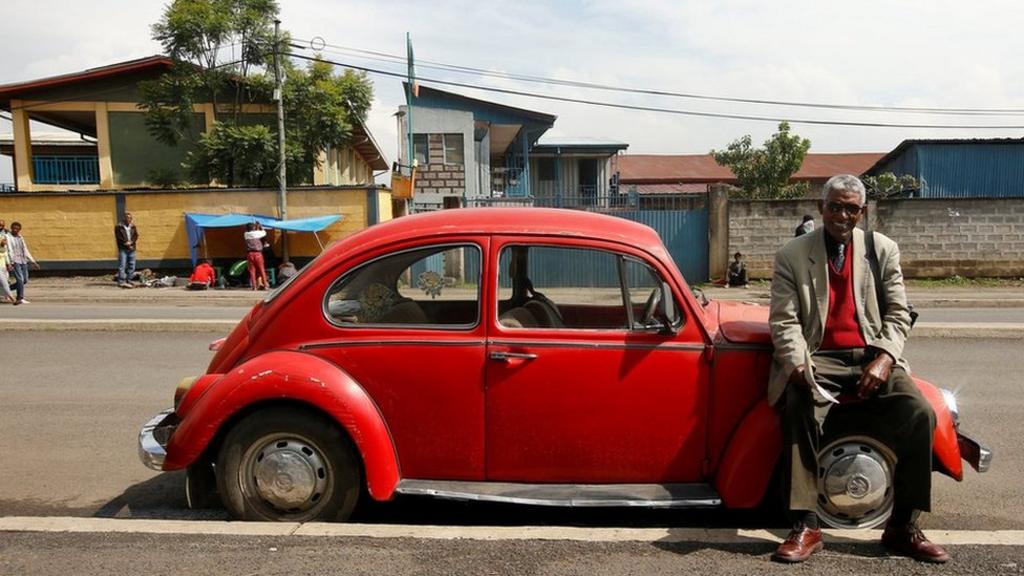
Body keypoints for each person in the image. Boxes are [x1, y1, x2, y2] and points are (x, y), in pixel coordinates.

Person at [768, 174, 946, 564]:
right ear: (821, 207)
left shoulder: (882, 249)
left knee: (920, 413)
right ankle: (806, 525)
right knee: (797, 405)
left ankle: (902, 527)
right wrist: (798, 365)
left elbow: (899, 314)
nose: (842, 215)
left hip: (871, 354)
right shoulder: (792, 254)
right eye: (835, 206)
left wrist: (884, 358)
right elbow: (784, 321)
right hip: (818, 356)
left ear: (862, 212)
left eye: (851, 208)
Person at [6, 221, 39, 305]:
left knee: (24, 280)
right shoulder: (8, 237)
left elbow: (25, 249)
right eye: (14, 228)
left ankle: (5, 290)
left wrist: (33, 261)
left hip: (23, 261)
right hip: (15, 261)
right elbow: (9, 250)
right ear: (11, 228)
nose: (15, 230)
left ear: (20, 229)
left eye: (17, 229)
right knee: (20, 279)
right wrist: (11, 262)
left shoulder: (21, 237)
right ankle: (20, 298)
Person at [114, 212, 139, 288]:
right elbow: (118, 237)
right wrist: (125, 243)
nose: (129, 219)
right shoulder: (119, 227)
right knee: (122, 265)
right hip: (123, 248)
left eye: (130, 218)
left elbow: (136, 235)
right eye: (127, 218)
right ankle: (121, 281)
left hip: (132, 248)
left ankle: (129, 280)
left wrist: (131, 242)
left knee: (132, 265)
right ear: (124, 218)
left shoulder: (133, 226)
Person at [243, 222, 269, 290]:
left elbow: (255, 232)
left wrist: (256, 228)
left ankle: (254, 286)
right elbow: (264, 233)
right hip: (258, 254)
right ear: (253, 228)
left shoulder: (246, 234)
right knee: (261, 270)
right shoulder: (257, 233)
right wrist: (260, 226)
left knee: (252, 271)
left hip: (249, 254)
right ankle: (266, 285)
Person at [0, 231, 15, 304]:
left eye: (5, 240)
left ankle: (5, 295)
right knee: (4, 282)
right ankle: (12, 298)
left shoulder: (4, 248)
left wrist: (9, 264)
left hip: (3, 268)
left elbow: (6, 256)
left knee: (5, 282)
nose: (5, 242)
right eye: (3, 240)